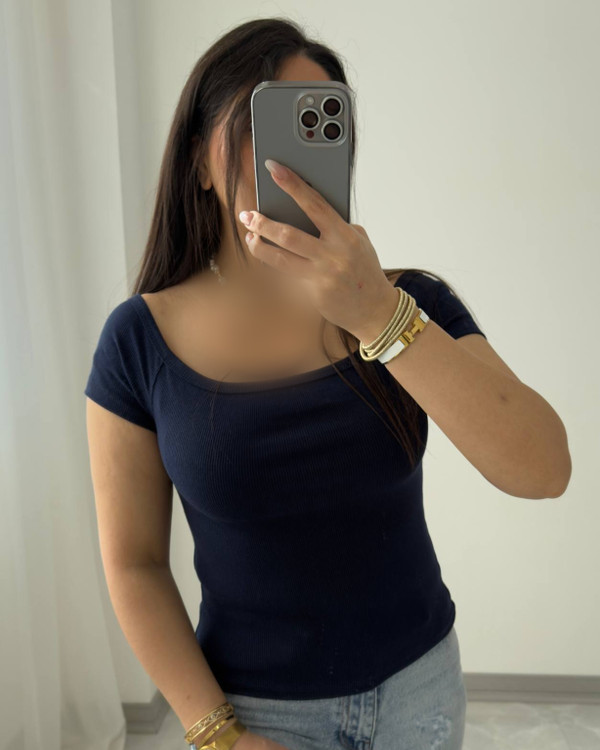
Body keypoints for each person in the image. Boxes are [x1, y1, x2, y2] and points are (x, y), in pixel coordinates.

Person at [84, 17, 571, 750]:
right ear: (200, 163)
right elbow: (135, 564)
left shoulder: (408, 305)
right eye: (263, 122)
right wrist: (218, 735)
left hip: (421, 694)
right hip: (255, 714)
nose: (292, 155)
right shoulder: (138, 340)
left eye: (319, 125)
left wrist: (378, 315)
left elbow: (544, 469)